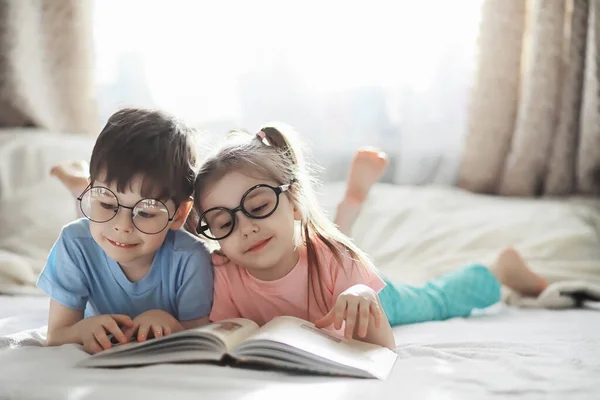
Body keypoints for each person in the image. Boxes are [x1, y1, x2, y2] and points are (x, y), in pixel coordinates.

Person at [193, 125, 548, 350]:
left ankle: (500, 270)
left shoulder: (339, 259)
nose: (245, 228)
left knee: (435, 300)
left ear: (295, 202)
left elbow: (384, 350)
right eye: (223, 224)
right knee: (325, 246)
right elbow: (226, 331)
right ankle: (353, 200)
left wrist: (365, 294)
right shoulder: (223, 271)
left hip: (373, 302)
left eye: (258, 206)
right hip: (326, 273)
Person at [38, 108, 214, 354]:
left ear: (180, 214)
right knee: (92, 219)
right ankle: (79, 185)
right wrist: (81, 330)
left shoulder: (190, 258)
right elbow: (56, 336)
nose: (123, 226)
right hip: (90, 214)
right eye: (107, 204)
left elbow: (203, 338)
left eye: (146, 212)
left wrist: (173, 325)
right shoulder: (74, 244)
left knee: (105, 215)